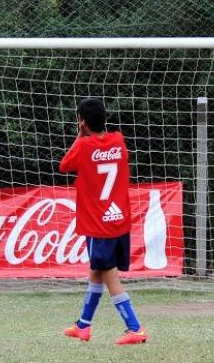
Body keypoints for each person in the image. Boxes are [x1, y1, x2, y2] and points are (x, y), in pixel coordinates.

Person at [60, 98, 147, 345]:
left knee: (109, 274)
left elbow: (64, 166)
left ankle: (135, 328)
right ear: (105, 120)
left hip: (98, 223)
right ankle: (83, 326)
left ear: (82, 122)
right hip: (119, 219)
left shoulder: (84, 147)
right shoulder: (119, 141)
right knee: (96, 271)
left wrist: (80, 136)